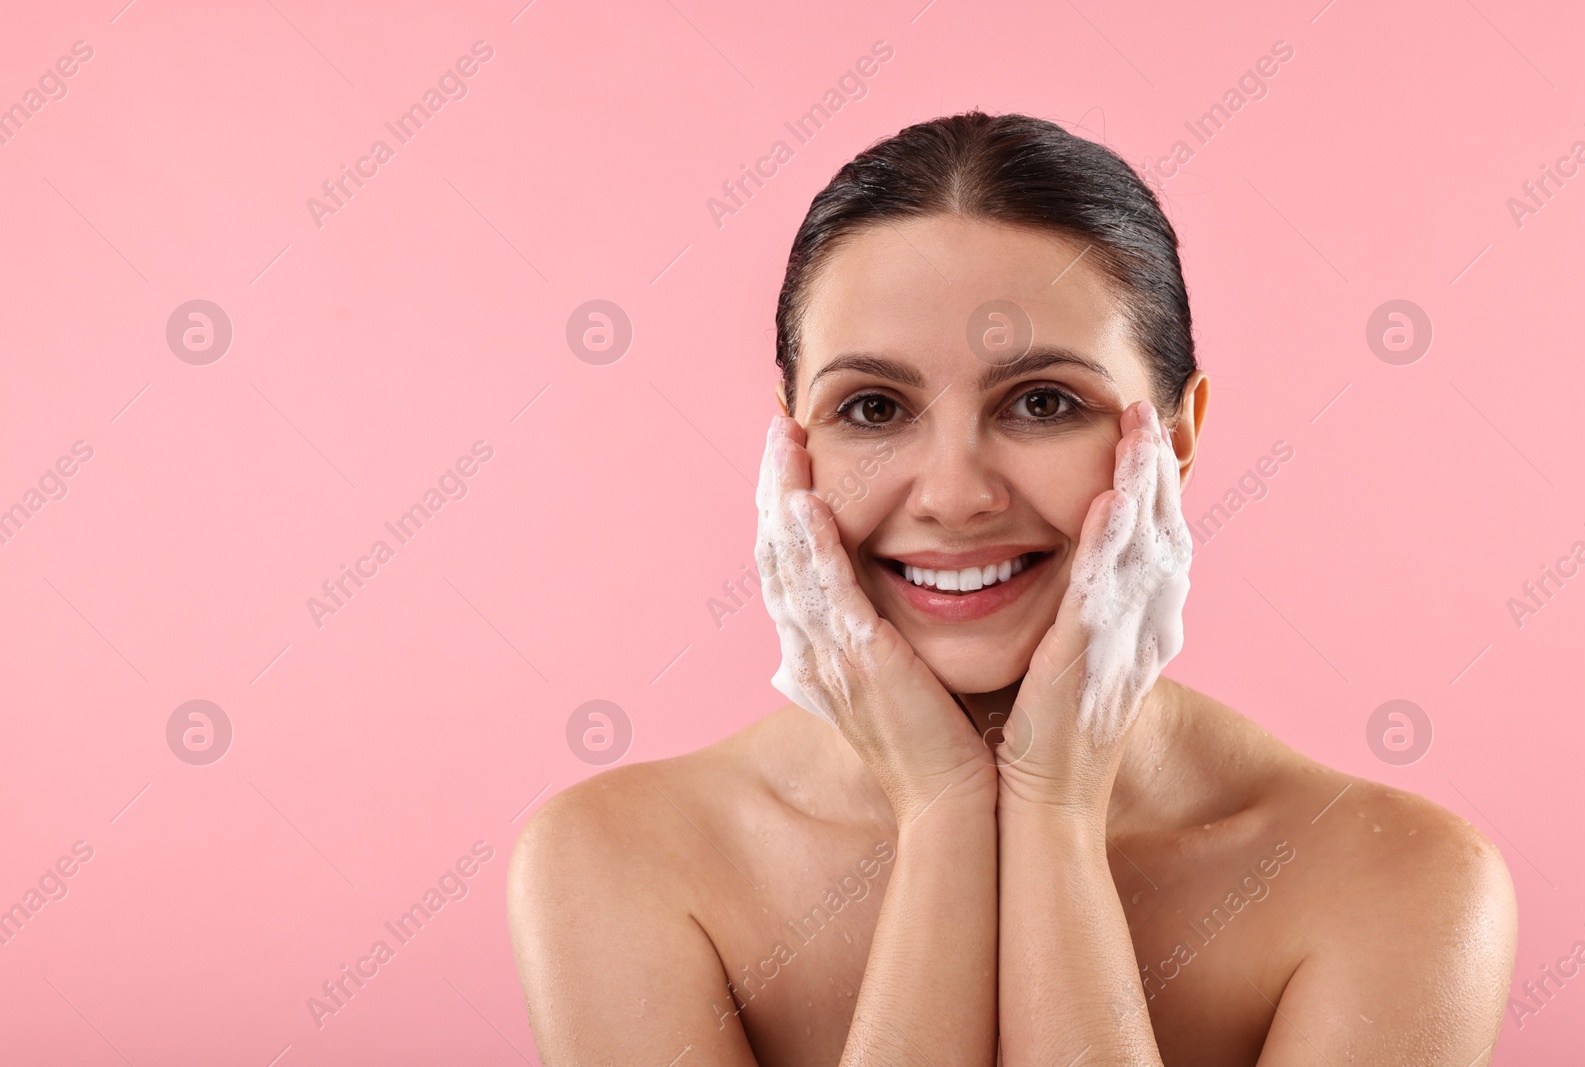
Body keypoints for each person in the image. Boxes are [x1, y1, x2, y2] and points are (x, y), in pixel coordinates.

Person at [507, 111, 1516, 1065]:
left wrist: (1055, 810)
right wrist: (945, 815)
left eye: (1042, 401)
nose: (953, 495)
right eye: (871, 406)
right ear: (790, 446)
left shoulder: (1400, 882)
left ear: (1176, 434)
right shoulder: (614, 863)